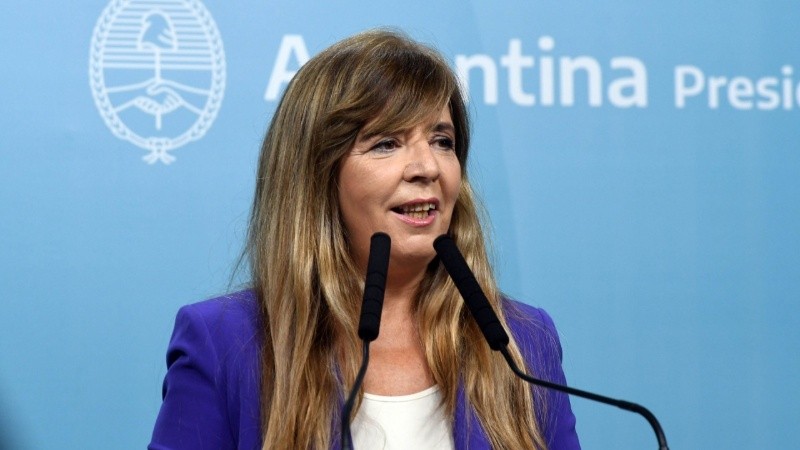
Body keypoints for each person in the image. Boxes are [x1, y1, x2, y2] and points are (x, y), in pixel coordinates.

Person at [149, 29, 580, 450]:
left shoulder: (522, 343)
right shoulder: (224, 342)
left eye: (442, 141)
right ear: (319, 176)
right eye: (387, 143)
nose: (427, 167)